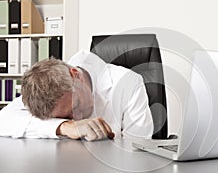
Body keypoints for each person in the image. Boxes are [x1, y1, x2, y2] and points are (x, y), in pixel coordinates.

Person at [0, 50, 154, 141]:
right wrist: (63, 126)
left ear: (76, 75)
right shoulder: (41, 90)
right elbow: (3, 120)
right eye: (63, 116)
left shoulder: (127, 83)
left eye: (75, 106)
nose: (76, 118)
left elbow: (139, 148)